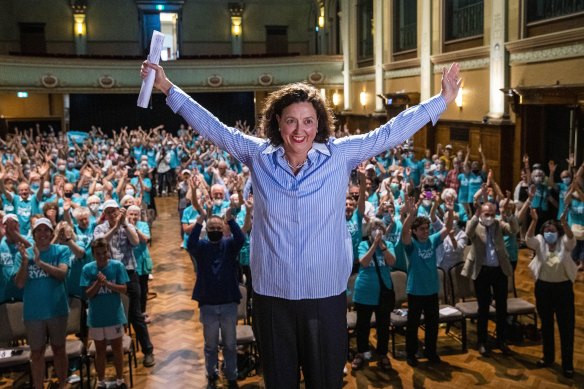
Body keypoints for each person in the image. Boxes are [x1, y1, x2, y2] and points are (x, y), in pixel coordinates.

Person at [141, 60, 461, 389]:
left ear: (318, 123)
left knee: (325, 382)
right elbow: (214, 128)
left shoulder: (341, 155)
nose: (299, 130)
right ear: (277, 121)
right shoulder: (258, 155)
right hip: (272, 296)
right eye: (291, 120)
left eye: (308, 121)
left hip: (324, 296)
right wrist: (167, 87)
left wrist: (442, 99)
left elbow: (391, 132)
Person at [187, 204, 244, 389]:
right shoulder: (202, 246)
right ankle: (211, 374)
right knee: (210, 345)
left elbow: (241, 239)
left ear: (223, 229)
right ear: (206, 230)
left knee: (230, 344)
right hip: (208, 303)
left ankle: (232, 375)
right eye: (212, 228)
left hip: (228, 302)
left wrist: (230, 219)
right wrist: (200, 220)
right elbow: (190, 244)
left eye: (219, 228)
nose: (215, 231)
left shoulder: (229, 244)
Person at [93, 199, 156, 367]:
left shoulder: (127, 224)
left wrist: (126, 224)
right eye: (109, 212)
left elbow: (136, 242)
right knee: (113, 315)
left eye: (115, 211)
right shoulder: (100, 228)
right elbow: (99, 244)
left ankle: (148, 351)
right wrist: (114, 228)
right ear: (105, 214)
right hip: (109, 275)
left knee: (136, 315)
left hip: (128, 273)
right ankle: (116, 352)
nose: (113, 215)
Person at [14, 218, 71, 389]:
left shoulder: (61, 250)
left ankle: (62, 383)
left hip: (57, 310)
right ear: (33, 235)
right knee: (37, 353)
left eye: (46, 230)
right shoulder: (22, 254)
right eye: (39, 230)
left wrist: (39, 263)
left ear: (52, 233)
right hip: (33, 312)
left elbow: (62, 274)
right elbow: (19, 283)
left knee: (59, 349)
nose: (43, 233)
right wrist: (25, 263)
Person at [401, 197, 453, 367]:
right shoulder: (411, 245)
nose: (425, 231)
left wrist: (450, 211)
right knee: (413, 325)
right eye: (422, 229)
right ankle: (411, 354)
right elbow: (404, 232)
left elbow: (448, 228)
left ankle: (431, 352)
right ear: (415, 231)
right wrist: (410, 214)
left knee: (432, 324)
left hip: (431, 290)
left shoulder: (432, 240)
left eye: (427, 228)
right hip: (415, 291)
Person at [526, 209, 576, 378]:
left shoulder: (564, 242)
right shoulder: (540, 241)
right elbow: (528, 240)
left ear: (558, 232)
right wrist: (534, 221)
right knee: (546, 325)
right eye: (547, 231)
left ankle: (567, 365)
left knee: (566, 327)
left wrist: (565, 223)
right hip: (543, 289)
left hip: (563, 290)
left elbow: (572, 240)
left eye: (552, 231)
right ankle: (548, 358)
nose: (549, 233)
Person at [462, 202, 514, 356]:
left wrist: (510, 215)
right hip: (482, 270)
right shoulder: (475, 225)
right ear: (481, 213)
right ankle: (482, 342)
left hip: (499, 270)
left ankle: (502, 340)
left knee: (502, 307)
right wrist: (476, 216)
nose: (490, 217)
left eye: (492, 214)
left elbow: (514, 230)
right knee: (483, 307)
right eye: (486, 214)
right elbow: (467, 232)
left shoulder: (499, 224)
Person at [81, 238, 130, 389]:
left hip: (114, 315)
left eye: (104, 252)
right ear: (93, 254)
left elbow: (124, 289)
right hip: (96, 317)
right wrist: (98, 283)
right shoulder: (87, 269)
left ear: (108, 251)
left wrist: (107, 283)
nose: (102, 256)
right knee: (100, 351)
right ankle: (101, 382)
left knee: (117, 349)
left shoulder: (117, 266)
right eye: (98, 254)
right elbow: (87, 294)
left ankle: (120, 380)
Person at [350, 218, 396, 371]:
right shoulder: (363, 244)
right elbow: (363, 261)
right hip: (364, 291)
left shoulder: (388, 244)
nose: (377, 230)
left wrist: (382, 246)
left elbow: (391, 262)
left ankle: (382, 353)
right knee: (363, 325)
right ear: (369, 231)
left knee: (383, 326)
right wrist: (374, 245)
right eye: (374, 227)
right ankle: (362, 352)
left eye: (380, 227)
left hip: (383, 292)